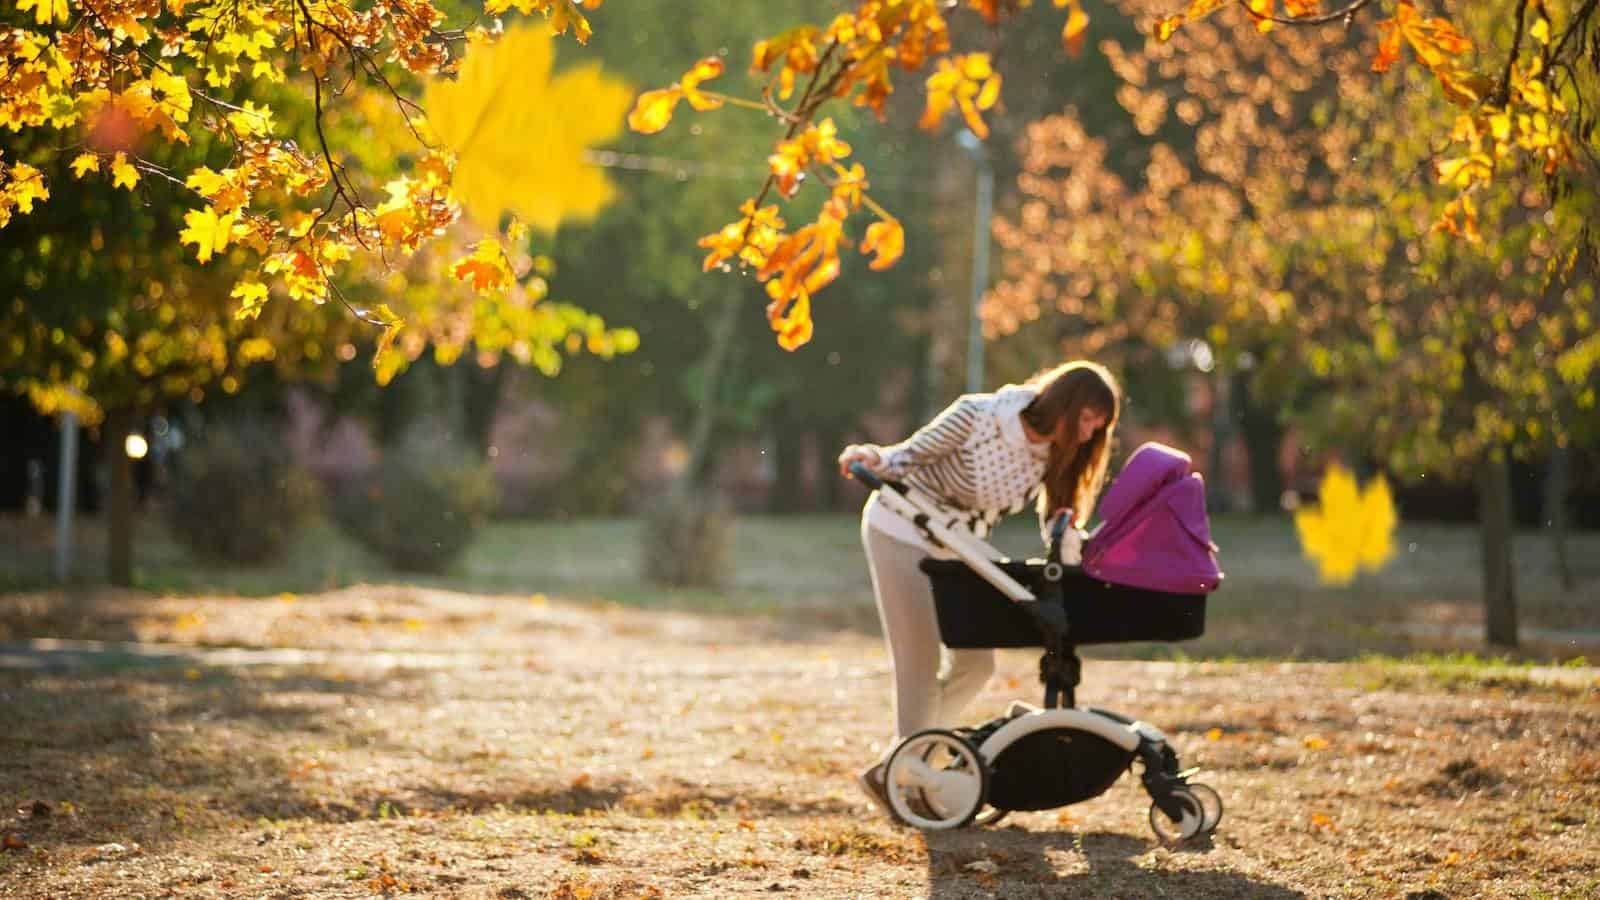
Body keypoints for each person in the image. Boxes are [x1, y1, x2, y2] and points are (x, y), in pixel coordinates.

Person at [837, 360, 1122, 820]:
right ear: (1065, 404)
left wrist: (1079, 558)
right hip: (901, 529)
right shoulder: (980, 416)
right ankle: (906, 778)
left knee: (976, 663)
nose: (1090, 434)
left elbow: (1060, 521)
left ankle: (897, 766)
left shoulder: (1057, 453)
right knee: (920, 662)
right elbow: (906, 456)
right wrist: (870, 457)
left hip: (960, 545)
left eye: (1099, 426)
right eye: (1088, 419)